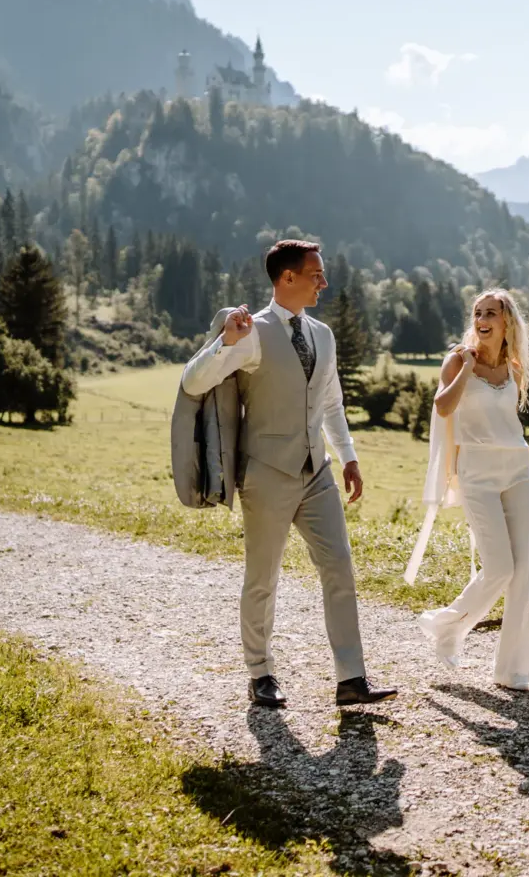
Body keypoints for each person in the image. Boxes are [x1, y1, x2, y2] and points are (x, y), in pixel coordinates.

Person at [181, 239, 396, 709]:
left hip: (316, 471)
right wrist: (225, 343)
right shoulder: (250, 333)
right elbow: (193, 381)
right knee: (263, 577)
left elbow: (332, 401)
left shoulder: (323, 334)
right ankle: (260, 674)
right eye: (315, 273)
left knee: (338, 564)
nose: (324, 281)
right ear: (287, 278)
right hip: (267, 475)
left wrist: (349, 457)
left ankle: (351, 679)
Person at [416, 288, 529, 691]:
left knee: (523, 572)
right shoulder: (456, 360)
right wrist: (467, 367)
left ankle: (513, 669)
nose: (482, 319)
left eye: (491, 313)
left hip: (518, 470)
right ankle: (447, 625)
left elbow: (508, 420)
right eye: (477, 313)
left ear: (507, 323)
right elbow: (443, 407)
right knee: (500, 567)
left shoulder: (514, 367)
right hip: (477, 473)